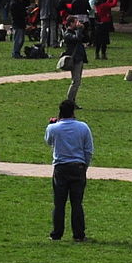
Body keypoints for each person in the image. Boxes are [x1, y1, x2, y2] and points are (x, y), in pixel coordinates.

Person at [45, 98, 92, 242]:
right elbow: (88, 150)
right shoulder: (83, 127)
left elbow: (48, 141)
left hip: (60, 167)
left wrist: (52, 124)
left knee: (59, 203)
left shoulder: (53, 128)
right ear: (73, 112)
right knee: (77, 203)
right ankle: (79, 234)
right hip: (78, 167)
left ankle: (56, 234)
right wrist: (85, 166)